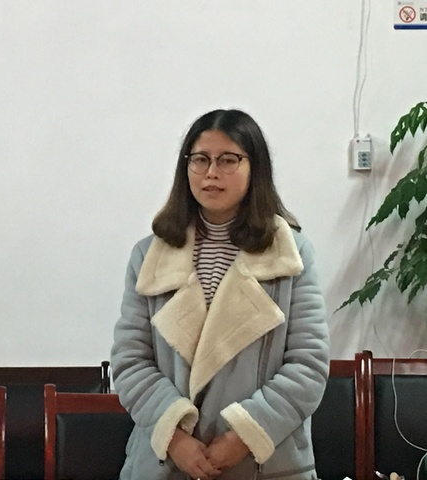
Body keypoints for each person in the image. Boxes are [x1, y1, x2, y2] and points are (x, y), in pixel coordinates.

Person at [111, 108, 330, 480]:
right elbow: (130, 361)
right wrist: (176, 439)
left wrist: (244, 435)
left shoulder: (291, 254)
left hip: (264, 462)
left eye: (228, 159)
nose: (211, 172)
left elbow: (308, 365)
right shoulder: (149, 255)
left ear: (254, 167)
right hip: (168, 462)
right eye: (200, 159)